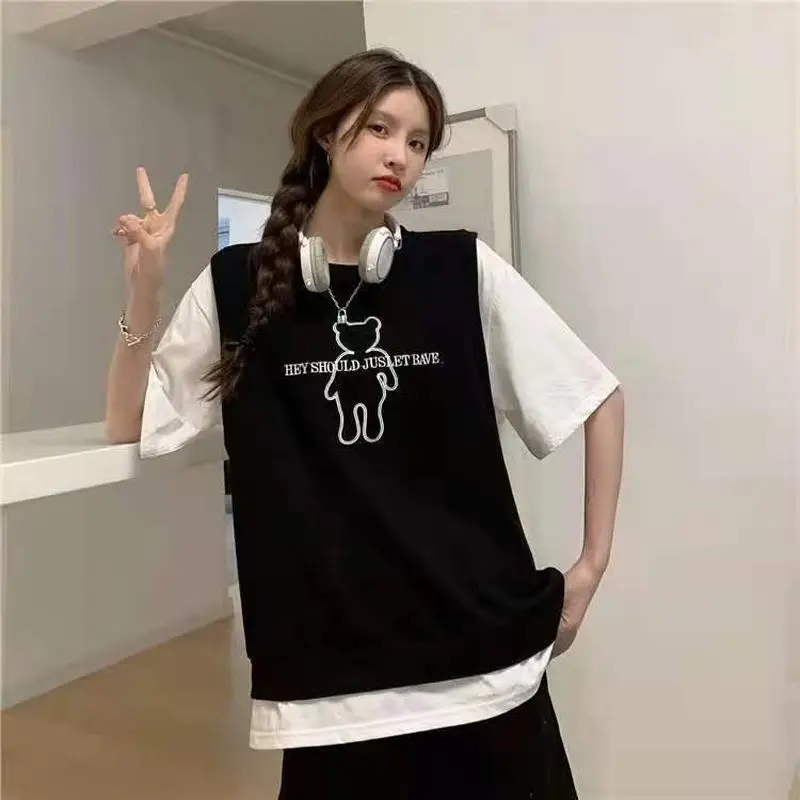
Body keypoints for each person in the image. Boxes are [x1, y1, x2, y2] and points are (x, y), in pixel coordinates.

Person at [106, 48, 624, 800]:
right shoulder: (237, 285)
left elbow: (598, 396)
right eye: (380, 128)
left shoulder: (459, 269)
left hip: (483, 668)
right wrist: (145, 289)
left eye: (418, 141)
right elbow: (130, 424)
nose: (399, 156)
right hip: (328, 689)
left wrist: (591, 568)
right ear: (326, 132)